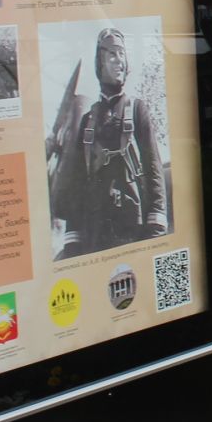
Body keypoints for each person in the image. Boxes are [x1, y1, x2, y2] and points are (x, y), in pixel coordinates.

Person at [50, 27, 168, 256]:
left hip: (133, 227)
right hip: (95, 231)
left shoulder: (137, 110)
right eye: (112, 54)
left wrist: (156, 225)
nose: (119, 61)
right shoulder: (88, 120)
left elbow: (154, 170)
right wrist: (73, 241)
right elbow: (78, 182)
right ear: (99, 63)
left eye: (122, 54)